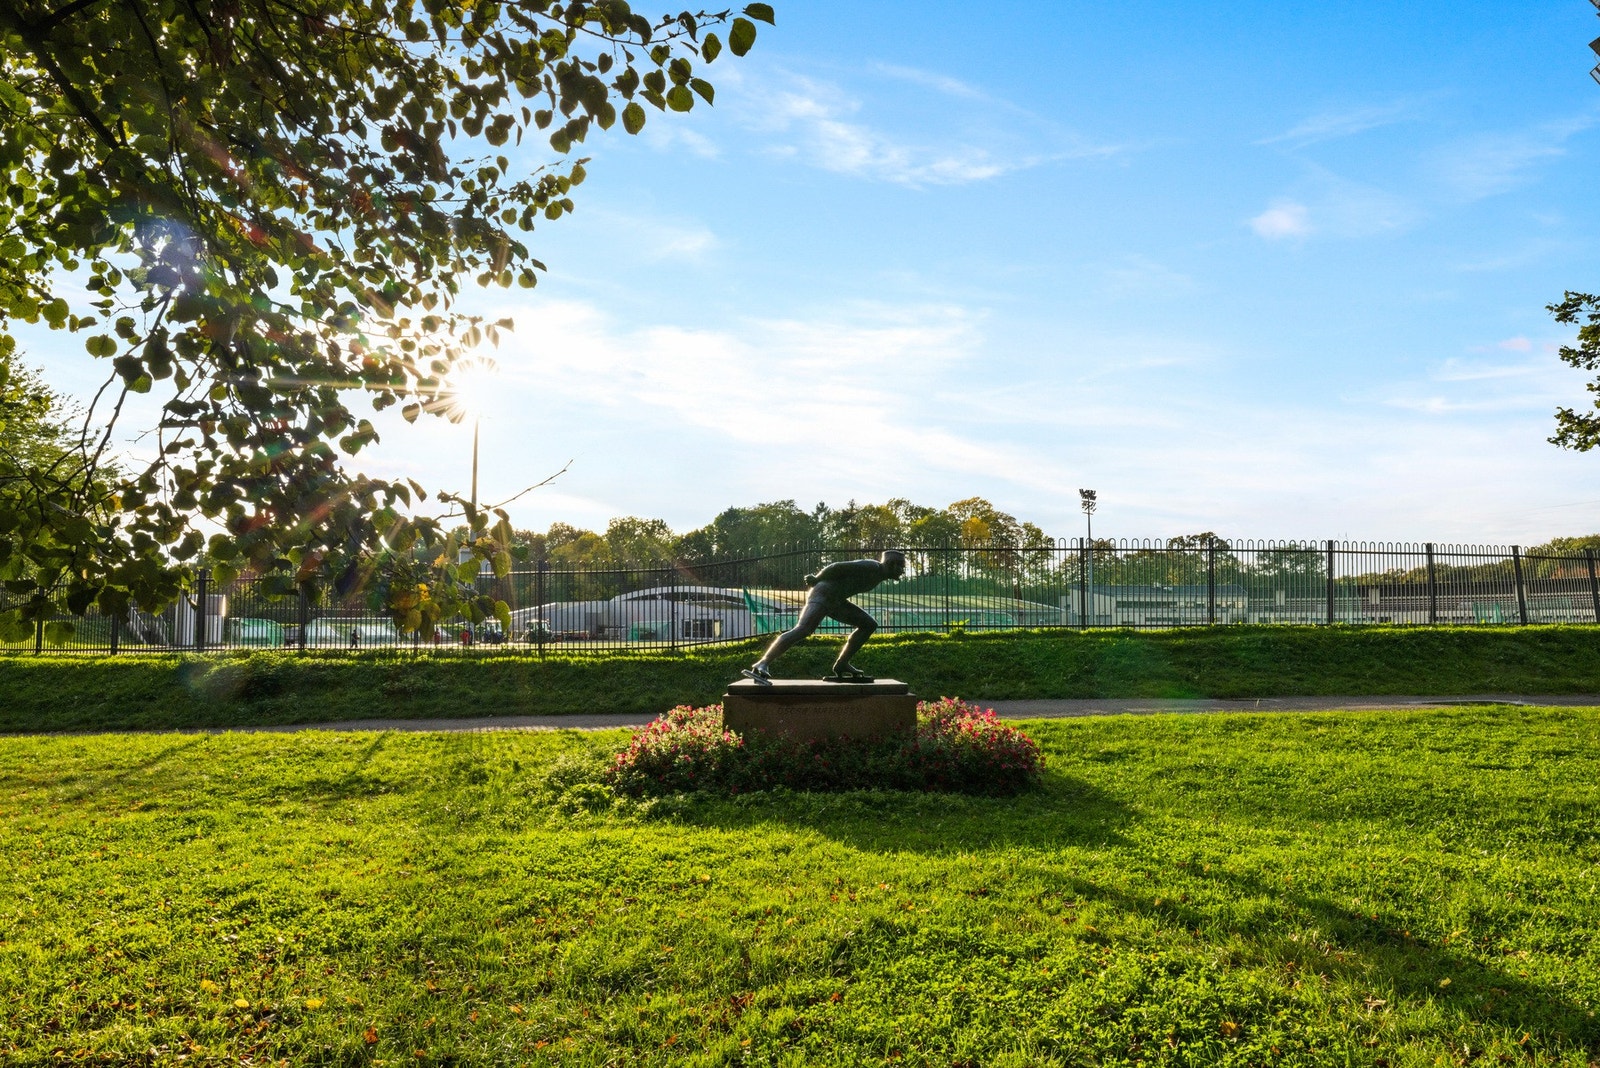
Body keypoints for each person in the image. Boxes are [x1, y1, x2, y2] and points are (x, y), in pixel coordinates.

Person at [743, 550, 906, 684]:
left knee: (869, 625)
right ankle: (762, 663)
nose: (903, 571)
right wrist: (817, 578)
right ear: (892, 564)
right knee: (803, 629)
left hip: (837, 601)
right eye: (902, 567)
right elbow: (837, 567)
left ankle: (842, 665)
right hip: (823, 595)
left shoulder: (878, 577)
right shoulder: (871, 567)